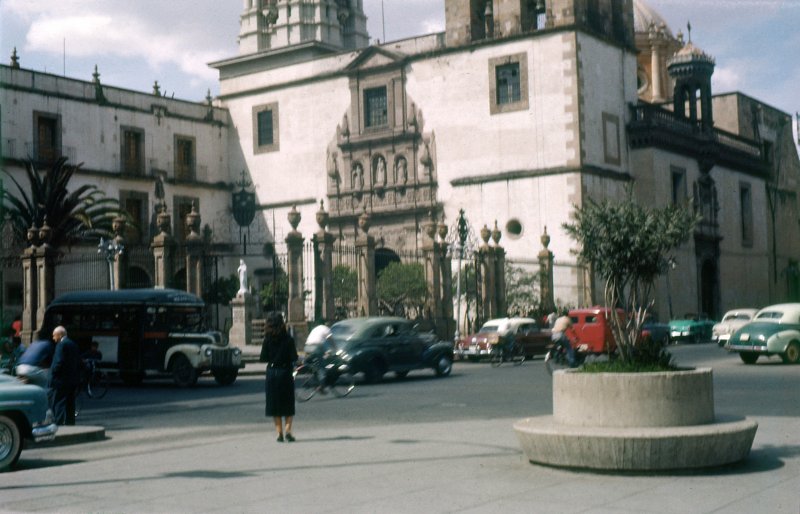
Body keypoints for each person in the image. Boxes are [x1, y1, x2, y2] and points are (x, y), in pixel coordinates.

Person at [259, 312, 298, 442]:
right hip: (285, 372)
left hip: (272, 372)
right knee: (288, 403)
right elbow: (294, 357)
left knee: (274, 405)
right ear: (282, 324)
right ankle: (288, 429)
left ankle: (279, 432)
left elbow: (263, 358)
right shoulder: (288, 339)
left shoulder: (267, 339)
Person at [48, 326, 83, 426]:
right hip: (72, 379)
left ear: (60, 335)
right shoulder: (73, 344)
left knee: (58, 402)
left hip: (61, 380)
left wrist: (53, 373)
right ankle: (70, 423)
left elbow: (58, 362)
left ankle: (58, 422)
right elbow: (79, 362)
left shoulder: (61, 345)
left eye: (54, 335)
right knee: (70, 403)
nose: (53, 338)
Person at [304, 322, 337, 390]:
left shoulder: (316, 328)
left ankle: (312, 377)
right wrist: (335, 349)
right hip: (317, 347)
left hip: (307, 346)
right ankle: (322, 385)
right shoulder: (326, 329)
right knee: (321, 366)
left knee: (314, 364)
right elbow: (331, 340)